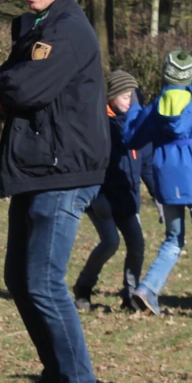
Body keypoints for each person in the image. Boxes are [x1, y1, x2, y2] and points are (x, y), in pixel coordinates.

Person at [0, 0, 109, 383]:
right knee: (21, 278)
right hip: (34, 169)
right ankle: (56, 380)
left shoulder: (68, 30)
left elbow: (21, 87)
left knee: (45, 282)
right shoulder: (35, 29)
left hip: (62, 171)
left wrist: (2, 88)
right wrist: (0, 89)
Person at [123, 50, 192, 323]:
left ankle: (147, 289)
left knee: (174, 240)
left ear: (165, 74)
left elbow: (131, 140)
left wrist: (135, 108)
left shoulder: (152, 110)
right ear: (189, 76)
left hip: (168, 183)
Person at [72, 69, 144, 313]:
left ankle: (131, 295)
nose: (129, 101)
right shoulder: (99, 124)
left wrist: (159, 196)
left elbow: (147, 164)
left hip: (127, 199)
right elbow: (91, 163)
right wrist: (96, 196)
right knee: (110, 242)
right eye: (124, 96)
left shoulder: (137, 125)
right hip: (101, 197)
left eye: (132, 96)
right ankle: (83, 288)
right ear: (111, 96)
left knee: (137, 244)